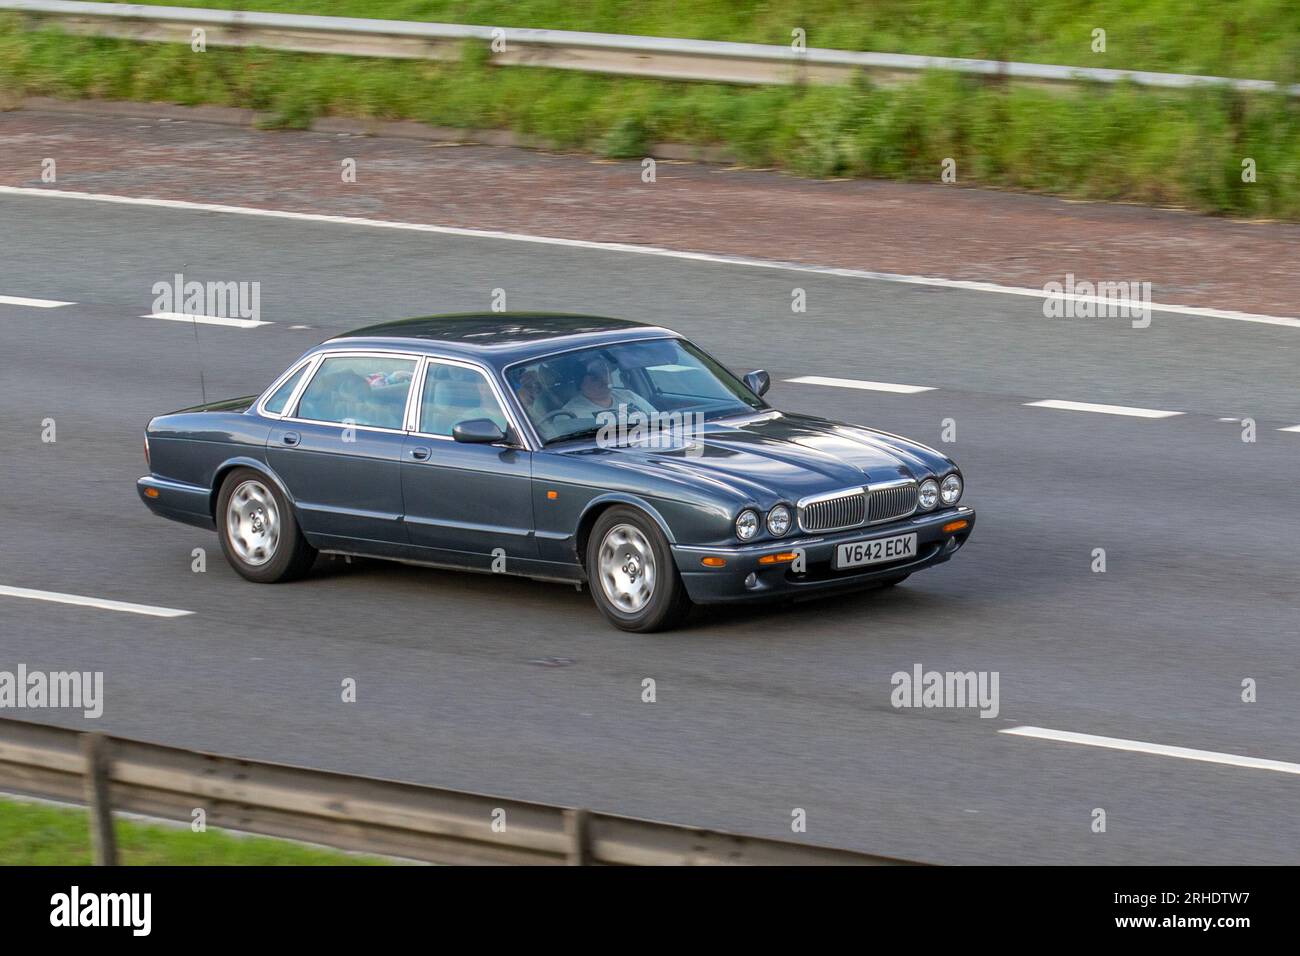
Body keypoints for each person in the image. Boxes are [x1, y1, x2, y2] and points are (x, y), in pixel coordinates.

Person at [562, 358, 656, 422]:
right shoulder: (570, 414)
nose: (605, 381)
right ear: (580, 383)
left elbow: (658, 419)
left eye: (606, 375)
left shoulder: (628, 395)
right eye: (595, 378)